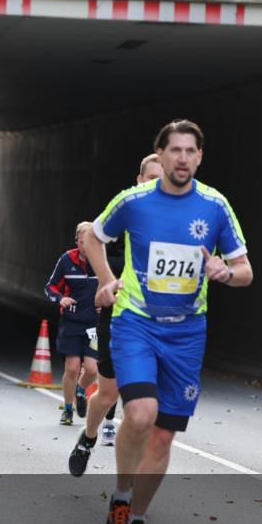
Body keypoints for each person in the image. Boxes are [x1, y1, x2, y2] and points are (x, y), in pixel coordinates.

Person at [88, 119, 252, 524]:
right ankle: (121, 496)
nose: (182, 159)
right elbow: (93, 235)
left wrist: (225, 272)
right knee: (140, 415)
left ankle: (137, 518)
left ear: (200, 157)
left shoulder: (215, 206)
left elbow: (246, 272)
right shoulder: (134, 201)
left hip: (186, 334)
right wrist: (106, 279)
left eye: (190, 151)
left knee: (162, 436)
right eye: (174, 151)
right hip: (136, 323)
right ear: (159, 156)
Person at [69, 154, 163, 478]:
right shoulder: (130, 207)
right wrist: (108, 281)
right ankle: (89, 436)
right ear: (139, 180)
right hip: (121, 314)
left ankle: (129, 488)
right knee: (107, 395)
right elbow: (92, 238)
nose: (156, 185)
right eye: (150, 177)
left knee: (142, 406)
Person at [45, 222, 100, 426]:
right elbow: (50, 287)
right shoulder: (67, 260)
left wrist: (107, 301)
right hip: (72, 324)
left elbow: (115, 285)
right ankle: (68, 410)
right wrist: (61, 299)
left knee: (92, 370)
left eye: (91, 241)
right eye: (82, 241)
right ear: (77, 241)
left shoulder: (101, 260)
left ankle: (80, 390)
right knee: (72, 368)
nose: (86, 245)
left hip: (94, 327)